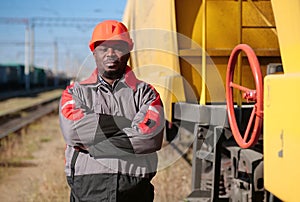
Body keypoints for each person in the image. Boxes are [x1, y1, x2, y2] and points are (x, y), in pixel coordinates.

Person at [59, 20, 165, 202]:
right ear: (94, 53)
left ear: (128, 53)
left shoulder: (147, 94)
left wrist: (94, 145)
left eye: (117, 48)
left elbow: (150, 138)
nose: (110, 54)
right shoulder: (75, 93)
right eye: (103, 48)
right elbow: (73, 130)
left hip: (134, 188)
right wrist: (127, 124)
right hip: (87, 189)